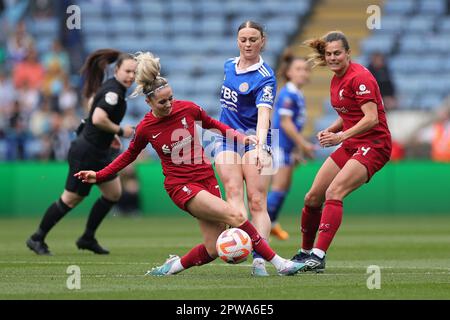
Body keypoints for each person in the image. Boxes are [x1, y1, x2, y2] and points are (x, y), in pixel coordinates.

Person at [74, 52, 305, 276]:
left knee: (213, 249)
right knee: (236, 215)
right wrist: (100, 175)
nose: (169, 104)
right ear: (148, 102)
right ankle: (279, 262)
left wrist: (242, 138)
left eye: (171, 98)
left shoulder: (187, 108)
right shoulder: (145, 128)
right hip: (181, 186)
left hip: (206, 178)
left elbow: (213, 124)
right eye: (162, 101)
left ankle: (173, 266)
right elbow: (128, 156)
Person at [290, 31, 392, 272]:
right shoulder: (336, 78)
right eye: (329, 54)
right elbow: (348, 113)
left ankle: (319, 255)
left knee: (334, 192)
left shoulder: (360, 78)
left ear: (348, 53)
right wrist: (332, 129)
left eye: (337, 53)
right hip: (352, 143)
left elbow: (371, 118)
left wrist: (340, 136)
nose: (333, 58)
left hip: (374, 145)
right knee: (312, 197)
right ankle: (305, 253)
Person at [26, 49, 137, 255]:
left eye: (134, 72)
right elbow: (97, 118)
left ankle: (87, 237)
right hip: (86, 152)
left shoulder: (115, 89)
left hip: (99, 150)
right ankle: (37, 237)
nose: (131, 76)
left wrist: (108, 135)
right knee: (70, 199)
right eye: (127, 71)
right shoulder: (113, 92)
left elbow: (92, 106)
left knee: (113, 193)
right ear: (117, 70)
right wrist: (120, 131)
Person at [214, 21, 276, 276]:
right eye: (243, 39)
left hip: (256, 140)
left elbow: (263, 114)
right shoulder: (229, 66)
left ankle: (260, 258)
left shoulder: (266, 77)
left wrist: (261, 147)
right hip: (227, 138)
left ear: (262, 40)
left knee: (257, 200)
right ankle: (238, 246)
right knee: (232, 192)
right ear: (237, 41)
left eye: (253, 39)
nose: (248, 44)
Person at [267, 51, 315, 241]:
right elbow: (285, 123)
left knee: (284, 187)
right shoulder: (288, 93)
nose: (303, 73)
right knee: (278, 187)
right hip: (279, 146)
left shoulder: (297, 93)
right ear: (289, 72)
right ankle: (257, 227)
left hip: (285, 147)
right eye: (298, 69)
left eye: (305, 70)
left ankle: (271, 223)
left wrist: (295, 149)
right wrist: (303, 145)